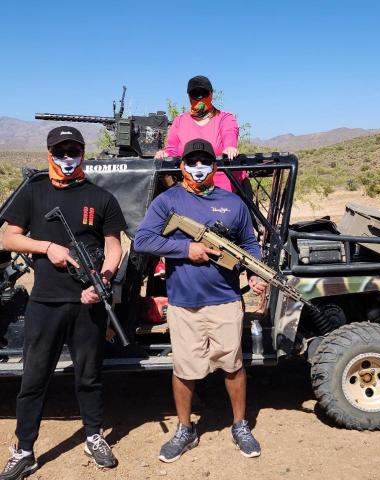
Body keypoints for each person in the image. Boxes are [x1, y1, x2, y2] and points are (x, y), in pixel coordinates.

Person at [0, 126, 127, 479]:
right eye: (60, 151)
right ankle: (24, 449)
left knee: (89, 376)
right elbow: (8, 237)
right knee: (34, 378)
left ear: (83, 153)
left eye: (73, 150)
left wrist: (104, 276)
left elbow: (114, 243)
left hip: (87, 302)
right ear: (49, 153)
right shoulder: (33, 192)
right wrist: (47, 247)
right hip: (45, 303)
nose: (67, 158)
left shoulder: (101, 198)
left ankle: (93, 436)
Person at [134, 138, 267, 462]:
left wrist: (257, 273)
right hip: (184, 303)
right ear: (182, 165)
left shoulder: (233, 204)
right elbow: (143, 239)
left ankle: (240, 424)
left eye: (204, 161)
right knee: (184, 369)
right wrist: (186, 249)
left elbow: (249, 243)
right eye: (191, 161)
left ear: (215, 166)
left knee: (233, 366)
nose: (198, 167)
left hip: (224, 300)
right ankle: (185, 429)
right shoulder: (168, 201)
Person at [154, 75, 248, 193]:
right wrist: (164, 154)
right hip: (191, 189)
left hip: (227, 188)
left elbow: (230, 133)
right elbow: (171, 149)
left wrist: (230, 147)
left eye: (204, 93)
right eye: (195, 94)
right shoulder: (180, 121)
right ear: (189, 96)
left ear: (211, 94)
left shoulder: (225, 118)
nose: (199, 98)